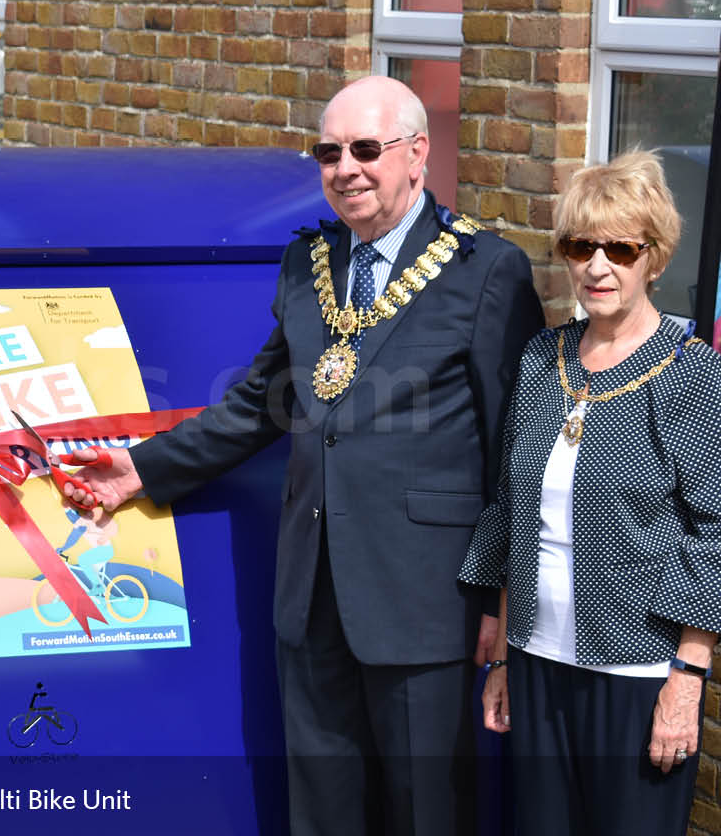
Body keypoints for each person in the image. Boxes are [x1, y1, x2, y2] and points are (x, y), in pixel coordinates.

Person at [63, 75, 544, 835]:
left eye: (365, 149)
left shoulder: (484, 271)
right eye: (328, 152)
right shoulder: (307, 264)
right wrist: (141, 468)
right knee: (321, 813)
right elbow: (263, 401)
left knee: (427, 815)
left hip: (424, 601)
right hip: (311, 592)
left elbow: (512, 452)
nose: (345, 168)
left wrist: (499, 597)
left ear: (418, 154)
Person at [459, 150, 721, 835]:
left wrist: (687, 680)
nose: (597, 265)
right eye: (581, 246)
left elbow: (713, 532)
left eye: (620, 248)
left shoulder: (690, 375)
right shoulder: (544, 359)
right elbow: (514, 514)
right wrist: (505, 659)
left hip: (639, 670)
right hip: (538, 663)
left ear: (654, 259)